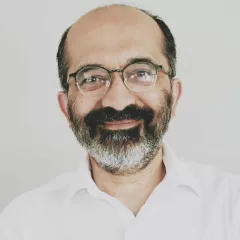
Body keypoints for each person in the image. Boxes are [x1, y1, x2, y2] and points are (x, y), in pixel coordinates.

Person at [0, 4, 239, 240]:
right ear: (65, 107)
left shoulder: (232, 207)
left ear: (174, 95)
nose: (117, 101)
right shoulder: (22, 224)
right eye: (91, 77)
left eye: (141, 73)